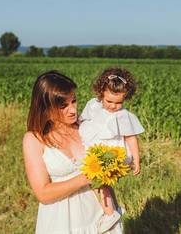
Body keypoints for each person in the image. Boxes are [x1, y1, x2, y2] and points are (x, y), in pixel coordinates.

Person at [22, 70, 123, 233]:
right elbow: (43, 193)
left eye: (74, 101)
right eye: (63, 106)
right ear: (46, 108)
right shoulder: (34, 139)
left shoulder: (86, 127)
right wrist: (86, 177)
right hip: (61, 221)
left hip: (99, 216)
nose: (73, 110)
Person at [79, 67, 144, 230]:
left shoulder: (123, 115)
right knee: (91, 181)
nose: (114, 106)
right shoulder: (92, 105)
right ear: (101, 93)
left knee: (99, 181)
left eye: (119, 102)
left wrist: (136, 159)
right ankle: (111, 208)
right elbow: (81, 120)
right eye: (109, 101)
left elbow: (131, 137)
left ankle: (110, 213)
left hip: (111, 152)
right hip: (92, 146)